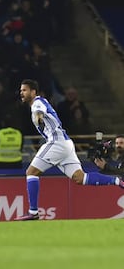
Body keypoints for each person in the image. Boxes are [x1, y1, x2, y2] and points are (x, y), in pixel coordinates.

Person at [15, 79, 124, 221]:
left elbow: (39, 113)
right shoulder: (40, 102)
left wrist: (39, 118)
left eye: (24, 90)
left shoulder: (37, 103)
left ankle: (33, 211)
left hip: (56, 143)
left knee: (31, 172)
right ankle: (117, 181)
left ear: (33, 91)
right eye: (21, 90)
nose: (21, 93)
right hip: (66, 144)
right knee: (80, 178)